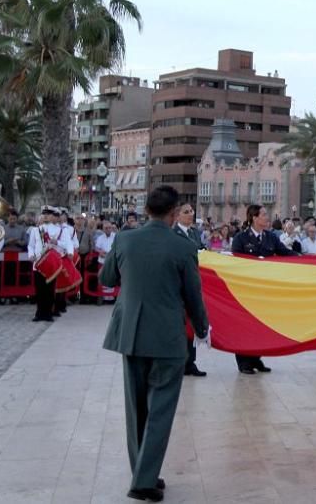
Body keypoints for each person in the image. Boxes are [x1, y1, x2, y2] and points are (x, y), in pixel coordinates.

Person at [101, 185, 209, 502]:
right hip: (167, 336)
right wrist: (202, 328)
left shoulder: (124, 238)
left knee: (135, 408)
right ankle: (144, 479)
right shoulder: (182, 247)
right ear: (174, 213)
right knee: (161, 409)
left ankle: (142, 473)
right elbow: (193, 295)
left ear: (146, 210)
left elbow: (107, 279)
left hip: (130, 332)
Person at [231, 204, 299, 374]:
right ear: (253, 218)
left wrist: (304, 258)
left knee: (260, 325)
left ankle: (256, 358)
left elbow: (284, 252)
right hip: (246, 289)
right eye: (263, 215)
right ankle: (244, 361)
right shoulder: (241, 238)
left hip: (264, 290)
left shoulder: (270, 237)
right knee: (245, 326)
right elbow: (235, 262)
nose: (267, 217)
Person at [173, 203, 207, 377]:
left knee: (191, 323)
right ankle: (180, 362)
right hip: (180, 284)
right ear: (177, 215)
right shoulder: (173, 234)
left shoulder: (194, 232)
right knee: (181, 326)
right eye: (186, 212)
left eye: (192, 211)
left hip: (193, 281)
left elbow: (201, 250)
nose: (190, 214)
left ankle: (190, 362)